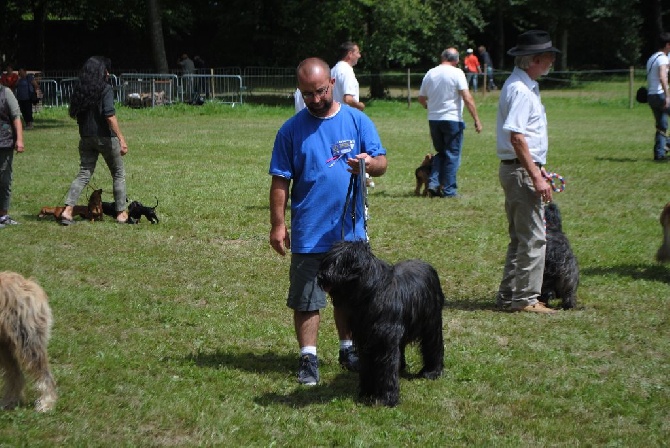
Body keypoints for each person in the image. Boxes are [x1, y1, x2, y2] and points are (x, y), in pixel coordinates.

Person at [269, 57, 388, 385]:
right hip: (309, 231)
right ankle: (308, 357)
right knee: (308, 298)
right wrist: (278, 225)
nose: (316, 99)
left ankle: (348, 348)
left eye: (321, 91)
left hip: (351, 232)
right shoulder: (291, 130)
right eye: (308, 94)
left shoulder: (357, 120)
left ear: (332, 84)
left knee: (351, 295)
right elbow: (280, 181)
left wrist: (369, 162)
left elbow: (382, 162)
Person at [495, 30, 560, 314]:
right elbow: (518, 137)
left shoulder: (523, 85)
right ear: (534, 59)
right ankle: (525, 299)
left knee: (521, 237)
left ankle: (510, 295)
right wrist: (534, 174)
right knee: (534, 237)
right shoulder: (520, 90)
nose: (552, 62)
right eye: (548, 57)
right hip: (521, 171)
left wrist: (538, 168)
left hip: (520, 169)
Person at [60, 56, 129, 226]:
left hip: (85, 138)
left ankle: (67, 211)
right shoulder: (105, 89)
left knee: (84, 174)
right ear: (101, 71)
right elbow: (109, 116)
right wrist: (121, 138)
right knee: (118, 174)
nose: (108, 72)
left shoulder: (81, 89)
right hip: (105, 138)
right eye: (106, 69)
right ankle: (121, 213)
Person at [417, 47, 482, 198]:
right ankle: (449, 190)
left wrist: (429, 107)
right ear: (457, 60)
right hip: (452, 119)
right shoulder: (457, 73)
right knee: (452, 154)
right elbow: (467, 98)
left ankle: (433, 184)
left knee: (441, 153)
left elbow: (421, 98)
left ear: (442, 58)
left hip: (434, 120)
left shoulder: (430, 73)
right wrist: (476, 120)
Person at [0, 83, 25, 228]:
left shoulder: (6, 92)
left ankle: (3, 215)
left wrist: (19, 139)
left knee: (4, 179)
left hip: (4, 142)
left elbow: (16, 117)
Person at [646, 32, 670, 162]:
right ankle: (667, 144)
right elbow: (662, 77)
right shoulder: (663, 58)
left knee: (662, 125)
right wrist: (667, 96)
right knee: (662, 125)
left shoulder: (653, 57)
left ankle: (659, 155)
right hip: (660, 95)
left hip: (651, 96)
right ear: (667, 44)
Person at [331, 42, 365, 111]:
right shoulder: (347, 71)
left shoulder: (333, 70)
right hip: (346, 115)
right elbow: (348, 99)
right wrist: (360, 105)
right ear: (350, 54)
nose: (359, 56)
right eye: (357, 53)